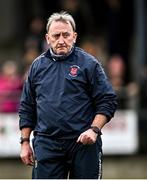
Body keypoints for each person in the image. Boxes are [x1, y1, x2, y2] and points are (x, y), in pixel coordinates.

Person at [19, 11, 117, 179]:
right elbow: (27, 106)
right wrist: (25, 142)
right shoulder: (37, 66)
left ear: (75, 36)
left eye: (66, 35)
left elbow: (107, 100)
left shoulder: (89, 64)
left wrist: (94, 130)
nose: (61, 40)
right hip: (47, 144)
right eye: (56, 36)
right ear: (47, 38)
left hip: (83, 143)